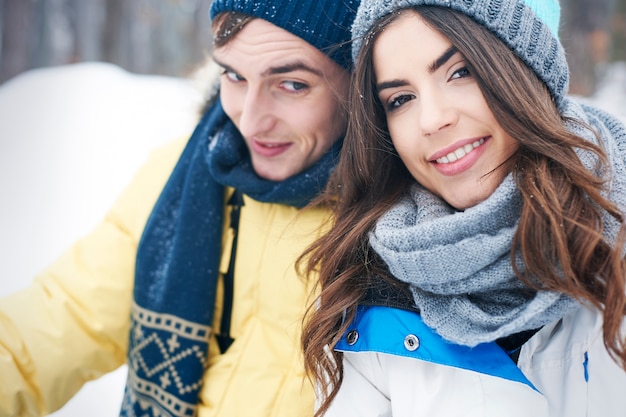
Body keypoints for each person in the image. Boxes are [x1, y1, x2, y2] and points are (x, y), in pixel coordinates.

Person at [0, 0, 359, 416]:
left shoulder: (404, 224)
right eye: (234, 75)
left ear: (358, 81)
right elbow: (61, 320)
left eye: (292, 84)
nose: (251, 119)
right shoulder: (185, 173)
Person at [300, 0, 626, 416]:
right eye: (400, 99)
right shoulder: (362, 291)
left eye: (461, 72)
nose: (431, 120)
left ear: (525, 70)